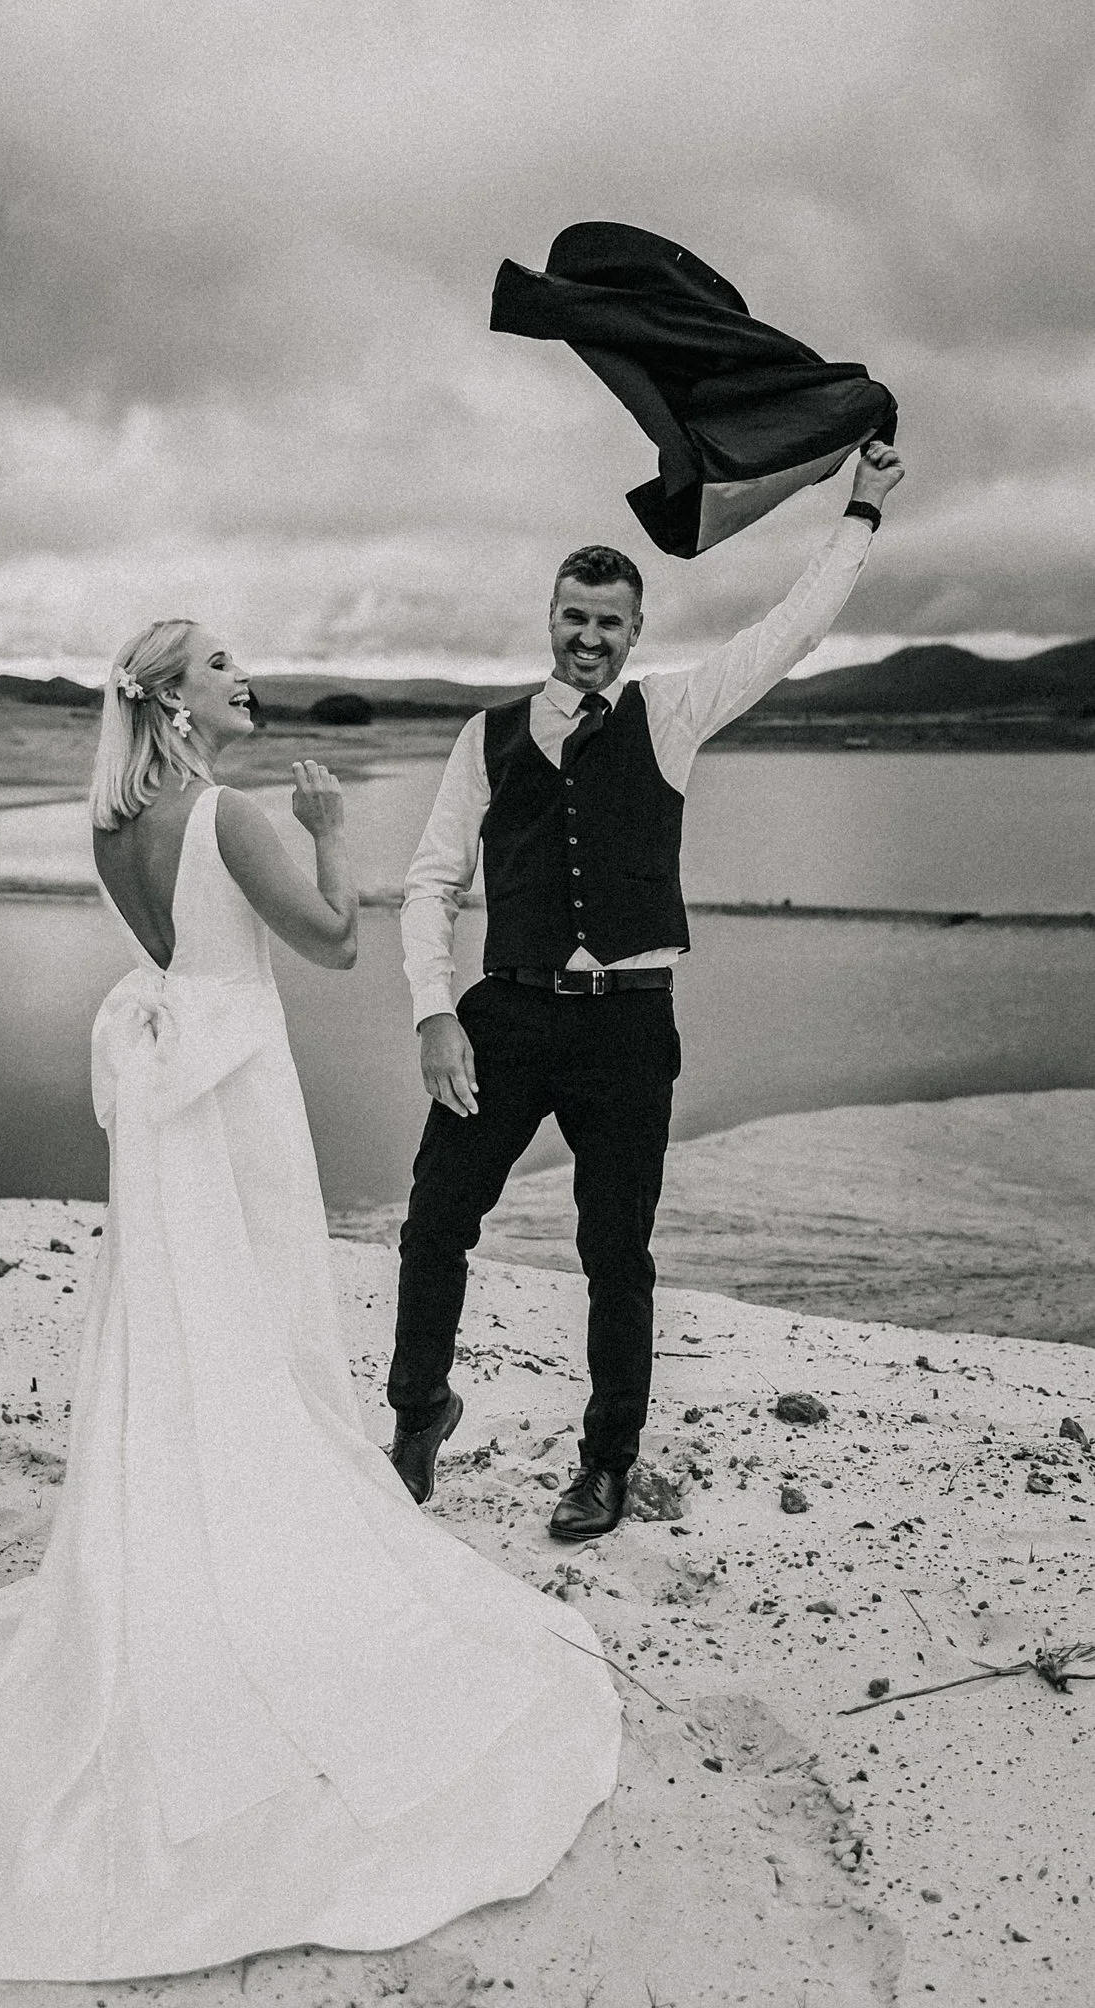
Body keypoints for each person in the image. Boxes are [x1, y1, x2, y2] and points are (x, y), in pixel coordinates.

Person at [0, 617, 620, 1982]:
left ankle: (190, 1519)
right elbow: (333, 942)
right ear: (170, 700)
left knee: (179, 1318)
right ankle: (258, 1547)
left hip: (167, 1089)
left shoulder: (108, 824)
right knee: (259, 1316)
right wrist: (331, 830)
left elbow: (166, 946)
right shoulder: (230, 814)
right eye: (216, 665)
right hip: (236, 1082)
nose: (240, 676)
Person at [389, 442, 906, 1540]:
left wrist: (860, 508)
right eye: (573, 617)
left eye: (609, 622)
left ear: (635, 631)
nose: (589, 636)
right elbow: (432, 882)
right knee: (433, 1221)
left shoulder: (671, 714)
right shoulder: (485, 737)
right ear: (551, 618)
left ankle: (606, 1463)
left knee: (615, 1253)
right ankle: (417, 1411)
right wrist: (434, 1011)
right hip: (505, 1016)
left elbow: (793, 629)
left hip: (627, 1024)